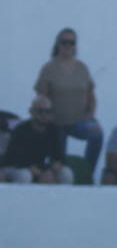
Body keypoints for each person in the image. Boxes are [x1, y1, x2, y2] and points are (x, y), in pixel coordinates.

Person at [34, 28, 102, 179]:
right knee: (58, 164)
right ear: (57, 44)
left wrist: (91, 114)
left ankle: (87, 173)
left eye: (71, 42)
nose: (68, 46)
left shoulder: (82, 68)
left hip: (79, 121)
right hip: (56, 123)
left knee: (97, 135)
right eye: (64, 42)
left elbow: (91, 94)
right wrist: (46, 118)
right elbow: (41, 97)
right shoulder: (49, 68)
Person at [1, 95, 72, 184]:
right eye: (40, 111)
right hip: (15, 166)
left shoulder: (54, 130)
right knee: (24, 175)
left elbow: (59, 156)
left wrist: (54, 168)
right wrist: (39, 173)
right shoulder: (21, 130)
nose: (44, 115)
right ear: (32, 112)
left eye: (47, 111)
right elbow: (15, 157)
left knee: (66, 173)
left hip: (38, 167)